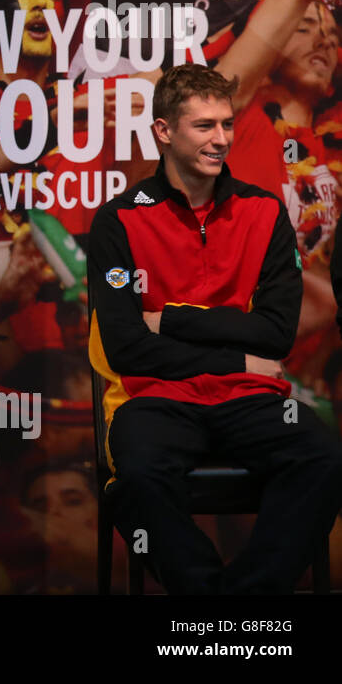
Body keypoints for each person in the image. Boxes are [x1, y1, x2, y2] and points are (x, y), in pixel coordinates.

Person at [87, 64, 342, 593]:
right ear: (163, 132)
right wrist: (234, 353)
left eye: (226, 124)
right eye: (204, 126)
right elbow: (127, 347)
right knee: (137, 480)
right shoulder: (118, 221)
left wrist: (173, 319)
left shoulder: (265, 211)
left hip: (253, 396)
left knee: (324, 459)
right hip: (154, 398)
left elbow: (274, 336)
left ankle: (234, 611)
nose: (221, 139)